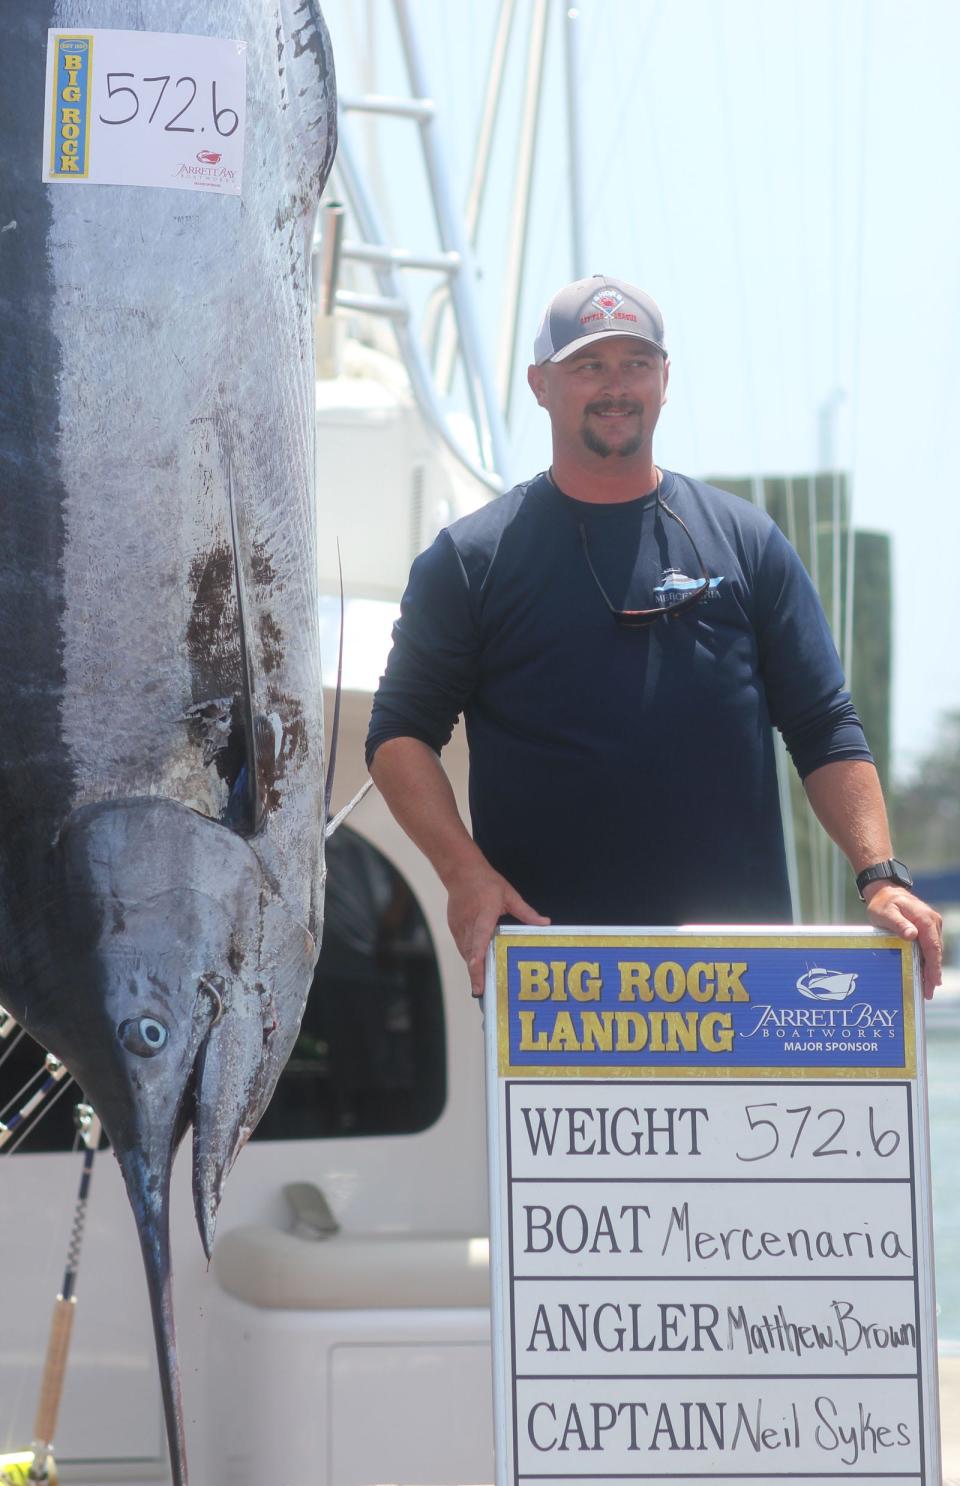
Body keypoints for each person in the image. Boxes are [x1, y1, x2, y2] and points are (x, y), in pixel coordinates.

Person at [365, 275, 943, 1000]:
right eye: (588, 366)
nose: (616, 386)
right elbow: (398, 735)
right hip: (557, 980)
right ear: (540, 385)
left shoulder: (746, 541)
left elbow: (824, 725)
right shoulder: (470, 560)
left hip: (745, 978)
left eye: (635, 363)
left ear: (665, 380)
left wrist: (880, 875)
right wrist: (465, 874)